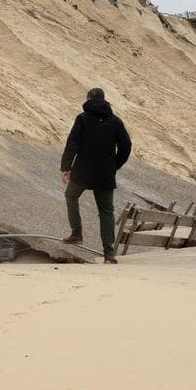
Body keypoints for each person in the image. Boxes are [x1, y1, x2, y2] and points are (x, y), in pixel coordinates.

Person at [60, 87, 132, 264]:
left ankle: (77, 233)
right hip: (105, 173)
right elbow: (126, 146)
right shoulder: (115, 121)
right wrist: (114, 165)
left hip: (83, 170)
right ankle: (109, 253)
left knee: (71, 196)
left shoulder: (83, 119)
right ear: (104, 100)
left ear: (88, 99)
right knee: (106, 211)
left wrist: (65, 167)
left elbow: (72, 144)